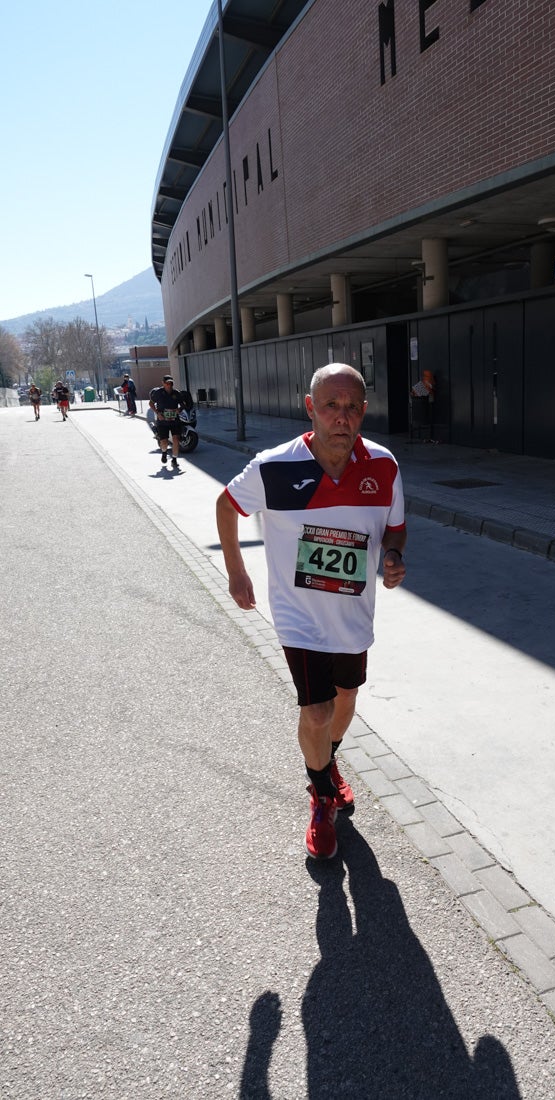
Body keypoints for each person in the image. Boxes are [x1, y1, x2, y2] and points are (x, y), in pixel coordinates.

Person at [216, 363, 407, 860]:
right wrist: (237, 572)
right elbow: (225, 505)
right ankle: (321, 799)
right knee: (317, 708)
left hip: (353, 615)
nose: (340, 417)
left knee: (345, 700)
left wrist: (392, 557)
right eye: (330, 406)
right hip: (297, 615)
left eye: (350, 408)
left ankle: (326, 765)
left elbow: (396, 527)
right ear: (310, 408)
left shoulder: (383, 465)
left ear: (363, 411)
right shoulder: (274, 466)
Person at [149, 374, 184, 469]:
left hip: (174, 420)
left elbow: (182, 404)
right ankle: (164, 452)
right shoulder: (158, 393)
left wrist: (179, 410)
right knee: (164, 442)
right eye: (167, 383)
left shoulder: (176, 393)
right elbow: (151, 403)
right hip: (162, 421)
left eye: (171, 383)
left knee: (176, 439)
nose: (169, 385)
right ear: (163, 383)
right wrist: (157, 413)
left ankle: (174, 460)